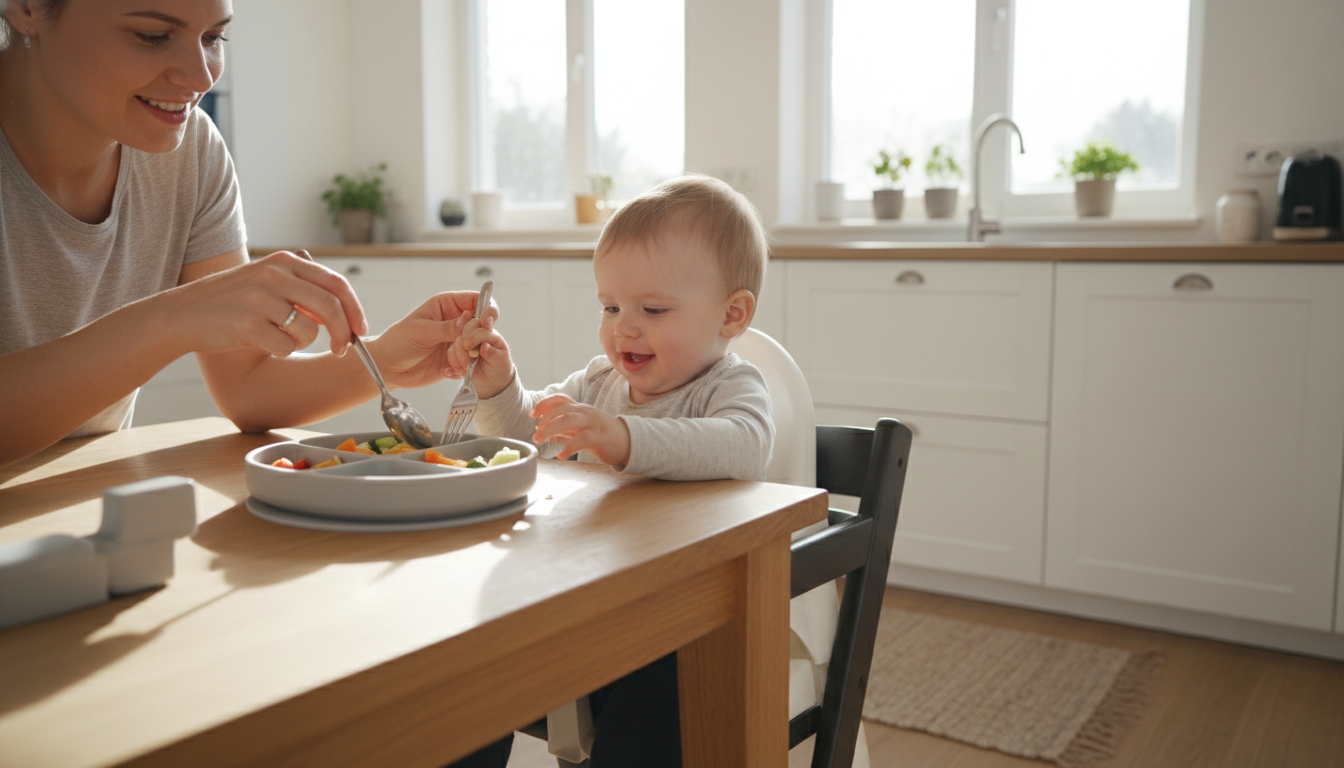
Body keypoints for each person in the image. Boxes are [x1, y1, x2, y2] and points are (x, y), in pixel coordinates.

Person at [0, 0, 494, 469]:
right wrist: (173, 319)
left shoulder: (191, 150)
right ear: (25, 7)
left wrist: (385, 360)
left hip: (78, 498)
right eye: (152, 36)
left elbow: (246, 386)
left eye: (213, 37)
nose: (202, 77)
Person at [446, 174, 774, 767]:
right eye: (611, 306)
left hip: (690, 617)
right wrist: (499, 386)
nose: (623, 326)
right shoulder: (600, 382)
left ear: (732, 314)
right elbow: (531, 433)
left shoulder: (728, 386)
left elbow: (744, 445)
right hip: (591, 600)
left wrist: (623, 438)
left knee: (658, 696)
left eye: (653, 309)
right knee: (471, 660)